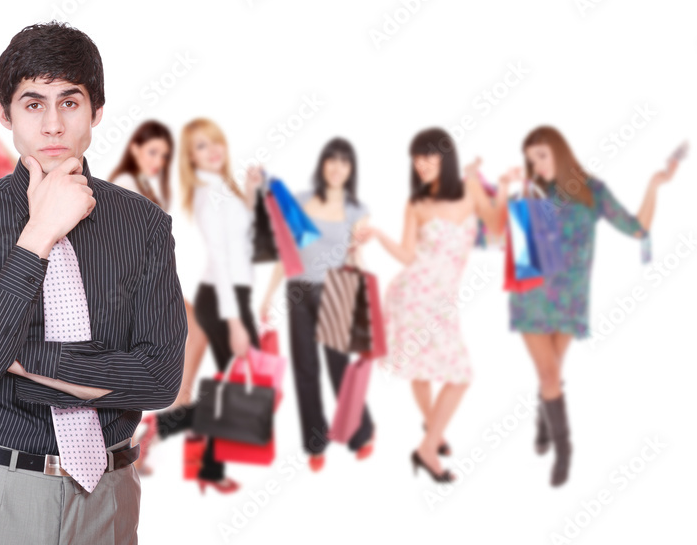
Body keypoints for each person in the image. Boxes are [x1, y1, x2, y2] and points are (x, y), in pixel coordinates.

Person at [0, 22, 186, 545]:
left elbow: (158, 379)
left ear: (97, 112)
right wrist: (39, 233)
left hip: (108, 498)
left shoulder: (144, 224)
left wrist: (16, 356)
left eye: (69, 103)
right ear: (6, 114)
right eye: (33, 103)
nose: (52, 126)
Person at [507, 126, 678, 487]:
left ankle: (543, 423)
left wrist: (653, 185)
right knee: (550, 375)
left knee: (549, 373)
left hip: (570, 301)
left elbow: (637, 229)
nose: (536, 165)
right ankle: (564, 450)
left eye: (542, 155)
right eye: (531, 158)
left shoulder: (592, 191)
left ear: (560, 152)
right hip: (532, 299)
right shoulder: (531, 193)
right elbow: (509, 243)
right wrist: (511, 200)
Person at [361, 127, 503, 483]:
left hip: (443, 298)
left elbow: (496, 224)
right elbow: (409, 256)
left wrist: (500, 186)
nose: (420, 164)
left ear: (445, 156)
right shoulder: (416, 203)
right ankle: (429, 445)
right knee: (441, 371)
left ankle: (430, 438)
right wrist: (378, 235)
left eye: (427, 156)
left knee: (450, 373)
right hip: (413, 294)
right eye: (416, 158)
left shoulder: (471, 190)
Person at [153, 117, 262, 494]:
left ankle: (195, 459)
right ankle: (172, 448)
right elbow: (224, 255)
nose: (212, 150)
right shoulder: (208, 194)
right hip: (225, 299)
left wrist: (251, 193)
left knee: (234, 385)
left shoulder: (223, 190)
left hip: (231, 295)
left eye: (214, 142)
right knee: (237, 385)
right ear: (191, 158)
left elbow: (245, 241)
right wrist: (234, 322)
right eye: (200, 146)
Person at [258, 137, 375, 473]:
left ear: (350, 169)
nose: (337, 168)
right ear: (323, 165)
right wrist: (267, 296)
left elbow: (357, 255)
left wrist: (368, 299)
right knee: (305, 369)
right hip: (299, 291)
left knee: (340, 367)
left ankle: (360, 432)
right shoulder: (302, 200)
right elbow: (287, 251)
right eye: (331, 160)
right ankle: (315, 442)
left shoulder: (356, 210)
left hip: (338, 291)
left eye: (344, 162)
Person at [107, 120, 209, 475]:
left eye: (164, 156)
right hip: (129, 286)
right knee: (190, 329)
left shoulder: (141, 186)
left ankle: (175, 404)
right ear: (134, 149)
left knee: (193, 328)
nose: (158, 161)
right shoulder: (124, 185)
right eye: (152, 152)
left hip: (141, 282)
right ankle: (175, 403)